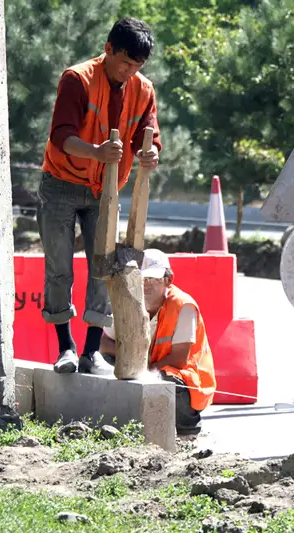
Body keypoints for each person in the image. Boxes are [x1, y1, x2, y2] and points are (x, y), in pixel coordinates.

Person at [39, 17, 162, 375]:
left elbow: (149, 134)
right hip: (61, 184)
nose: (130, 71)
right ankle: (66, 348)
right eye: (125, 62)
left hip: (105, 191)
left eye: (137, 66)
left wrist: (150, 152)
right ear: (108, 50)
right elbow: (61, 135)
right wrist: (96, 152)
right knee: (60, 269)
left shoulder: (143, 89)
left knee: (103, 269)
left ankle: (92, 352)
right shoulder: (77, 79)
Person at [100, 249, 216, 436]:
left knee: (168, 378)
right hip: (143, 366)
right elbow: (105, 344)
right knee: (104, 361)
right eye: (142, 279)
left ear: (168, 280)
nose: (146, 285)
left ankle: (187, 429)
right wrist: (131, 363)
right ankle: (123, 424)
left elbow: (178, 359)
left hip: (185, 378)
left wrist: (142, 370)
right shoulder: (128, 301)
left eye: (154, 279)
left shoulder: (182, 306)